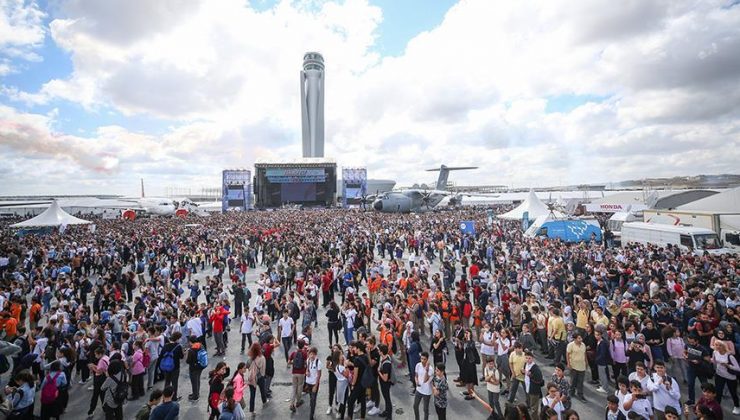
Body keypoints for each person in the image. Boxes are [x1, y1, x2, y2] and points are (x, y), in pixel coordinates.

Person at [711, 340, 740, 414]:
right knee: (718, 392)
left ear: (724, 346)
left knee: (733, 393)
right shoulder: (715, 352)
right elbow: (714, 361)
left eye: (720, 345)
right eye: (716, 345)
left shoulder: (729, 356)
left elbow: (738, 368)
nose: (718, 347)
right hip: (719, 375)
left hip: (730, 377)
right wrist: (707, 359)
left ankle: (737, 406)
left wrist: (728, 365)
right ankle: (716, 407)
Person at [158, 332, 184, 401]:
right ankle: (174, 397)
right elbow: (181, 357)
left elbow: (161, 355)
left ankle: (165, 397)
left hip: (166, 367)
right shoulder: (178, 346)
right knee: (174, 383)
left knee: (167, 382)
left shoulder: (166, 346)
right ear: (177, 339)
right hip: (175, 367)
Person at [346, 341, 369, 419]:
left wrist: (352, 384)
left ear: (358, 349)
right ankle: (362, 417)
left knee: (350, 401)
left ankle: (350, 417)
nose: (353, 349)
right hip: (364, 382)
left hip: (358, 383)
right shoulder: (365, 356)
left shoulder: (357, 360)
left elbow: (355, 375)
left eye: (354, 348)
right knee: (363, 400)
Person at [288, 339, 308, 412]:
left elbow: (289, 362)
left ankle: (291, 404)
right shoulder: (304, 353)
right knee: (300, 387)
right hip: (301, 372)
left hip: (294, 372)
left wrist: (294, 364)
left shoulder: (294, 353)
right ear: (303, 346)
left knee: (294, 388)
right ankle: (298, 401)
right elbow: (306, 363)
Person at [523, 350, 544, 420]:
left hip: (534, 390)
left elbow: (539, 379)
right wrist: (523, 372)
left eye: (529, 358)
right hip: (528, 388)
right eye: (526, 358)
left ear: (532, 358)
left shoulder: (536, 368)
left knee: (534, 408)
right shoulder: (526, 364)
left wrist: (530, 375)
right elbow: (526, 373)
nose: (528, 360)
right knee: (531, 406)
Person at [566, 333, 587, 402]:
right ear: (575, 339)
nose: (580, 339)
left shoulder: (583, 345)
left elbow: (584, 354)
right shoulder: (570, 345)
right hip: (574, 365)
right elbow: (567, 354)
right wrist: (568, 364)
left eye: (581, 338)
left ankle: (580, 395)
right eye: (579, 338)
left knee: (580, 381)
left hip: (582, 366)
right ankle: (571, 392)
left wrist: (586, 362)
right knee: (573, 380)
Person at [413, 351, 433, 420]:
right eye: (421, 358)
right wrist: (416, 381)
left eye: (424, 359)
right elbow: (416, 376)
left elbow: (425, 380)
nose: (422, 361)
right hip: (419, 389)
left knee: (425, 409)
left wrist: (426, 370)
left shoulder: (430, 369)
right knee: (415, 406)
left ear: (427, 360)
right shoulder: (418, 365)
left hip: (426, 392)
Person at [185, 336, 206, 401]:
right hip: (201, 365)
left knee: (194, 381)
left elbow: (188, 361)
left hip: (193, 367)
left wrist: (186, 354)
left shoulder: (191, 350)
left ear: (190, 342)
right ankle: (196, 393)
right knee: (197, 379)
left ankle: (195, 396)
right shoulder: (201, 345)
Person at [304, 346, 322, 420]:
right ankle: (312, 410)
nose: (311, 356)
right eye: (310, 354)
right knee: (311, 398)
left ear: (315, 354)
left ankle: (311, 416)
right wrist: (306, 372)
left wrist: (316, 385)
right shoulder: (308, 360)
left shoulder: (318, 362)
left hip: (314, 383)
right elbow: (306, 369)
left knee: (313, 400)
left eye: (312, 354)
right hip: (308, 383)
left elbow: (319, 375)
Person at [377, 344, 394, 420]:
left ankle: (389, 416)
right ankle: (386, 411)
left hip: (385, 384)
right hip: (384, 383)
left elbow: (385, 378)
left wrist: (379, 372)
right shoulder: (385, 357)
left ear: (381, 352)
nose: (378, 351)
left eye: (379, 350)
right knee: (386, 398)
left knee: (387, 399)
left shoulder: (386, 363)